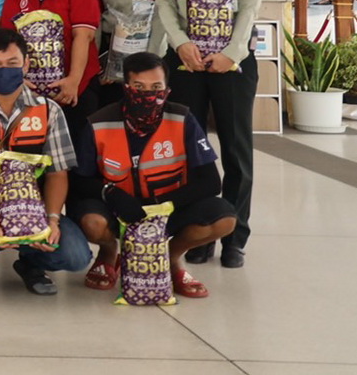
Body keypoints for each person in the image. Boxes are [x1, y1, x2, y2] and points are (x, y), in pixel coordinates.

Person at [148, 0, 263, 268]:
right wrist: (181, 44)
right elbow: (164, 3)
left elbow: (249, 9)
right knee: (190, 152)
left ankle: (234, 237)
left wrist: (231, 53)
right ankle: (199, 231)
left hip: (233, 65)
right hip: (186, 64)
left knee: (236, 151)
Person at [71, 51, 238, 299]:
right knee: (91, 222)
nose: (148, 94)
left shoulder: (182, 119)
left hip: (167, 207)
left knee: (225, 219)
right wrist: (111, 194)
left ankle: (169, 259)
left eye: (156, 87)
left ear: (167, 89)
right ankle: (108, 253)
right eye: (139, 87)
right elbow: (78, 180)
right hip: (119, 210)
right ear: (126, 87)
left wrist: (161, 204)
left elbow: (211, 182)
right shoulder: (99, 123)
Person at [0, 28, 91, 295]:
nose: (4, 70)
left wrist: (52, 219)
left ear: (26, 64)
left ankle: (31, 263)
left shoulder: (49, 109)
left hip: (35, 206)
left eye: (12, 63)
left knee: (76, 256)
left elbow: (57, 173)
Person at [0, 0, 101, 135]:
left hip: (75, 89)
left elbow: (83, 36)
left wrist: (73, 80)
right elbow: (9, 42)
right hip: (27, 92)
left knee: (77, 146)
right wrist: (16, 79)